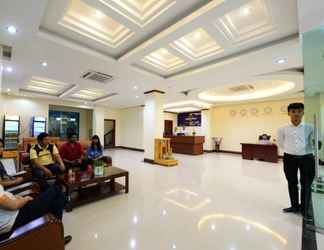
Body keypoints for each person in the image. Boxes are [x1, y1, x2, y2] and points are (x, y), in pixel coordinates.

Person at [0, 183, 72, 244]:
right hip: (16, 217)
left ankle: (56, 237)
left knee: (56, 198)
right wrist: (25, 199)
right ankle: (57, 239)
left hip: (15, 212)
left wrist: (18, 199)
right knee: (56, 189)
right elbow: (13, 205)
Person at [278, 103, 315, 217]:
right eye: (293, 112)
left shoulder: (310, 127)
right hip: (289, 158)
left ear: (303, 112)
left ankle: (304, 209)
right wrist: (292, 150)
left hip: (307, 158)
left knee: (306, 184)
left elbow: (315, 142)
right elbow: (280, 143)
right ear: (289, 113)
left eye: (299, 111)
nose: (296, 114)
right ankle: (294, 206)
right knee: (292, 183)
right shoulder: (282, 129)